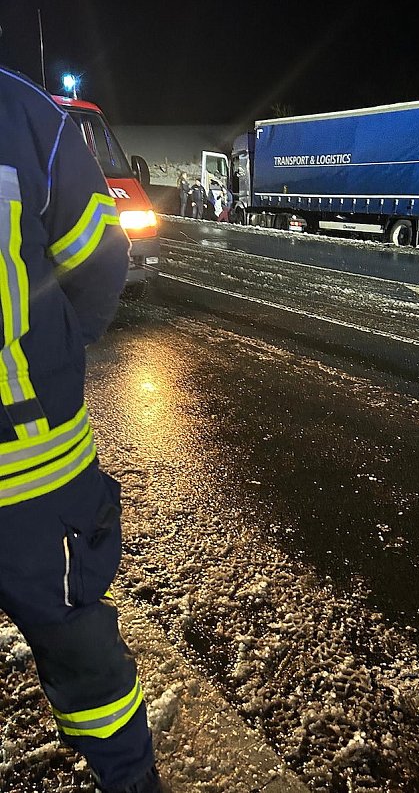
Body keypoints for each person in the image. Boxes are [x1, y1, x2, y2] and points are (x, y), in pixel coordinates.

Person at [0, 65, 168, 793]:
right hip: (33, 468)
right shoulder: (23, 111)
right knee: (80, 648)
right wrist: (57, 353)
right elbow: (100, 258)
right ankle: (130, 783)